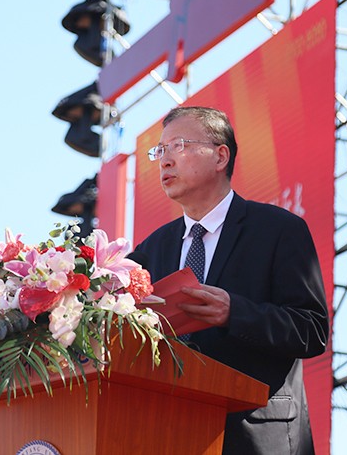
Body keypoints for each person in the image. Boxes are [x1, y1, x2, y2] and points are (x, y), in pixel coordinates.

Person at [134, 106, 329, 455]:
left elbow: (311, 330)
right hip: (172, 433)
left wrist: (234, 312)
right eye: (160, 150)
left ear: (220, 156)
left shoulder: (278, 230)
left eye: (178, 146)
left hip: (257, 435)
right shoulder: (151, 250)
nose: (165, 160)